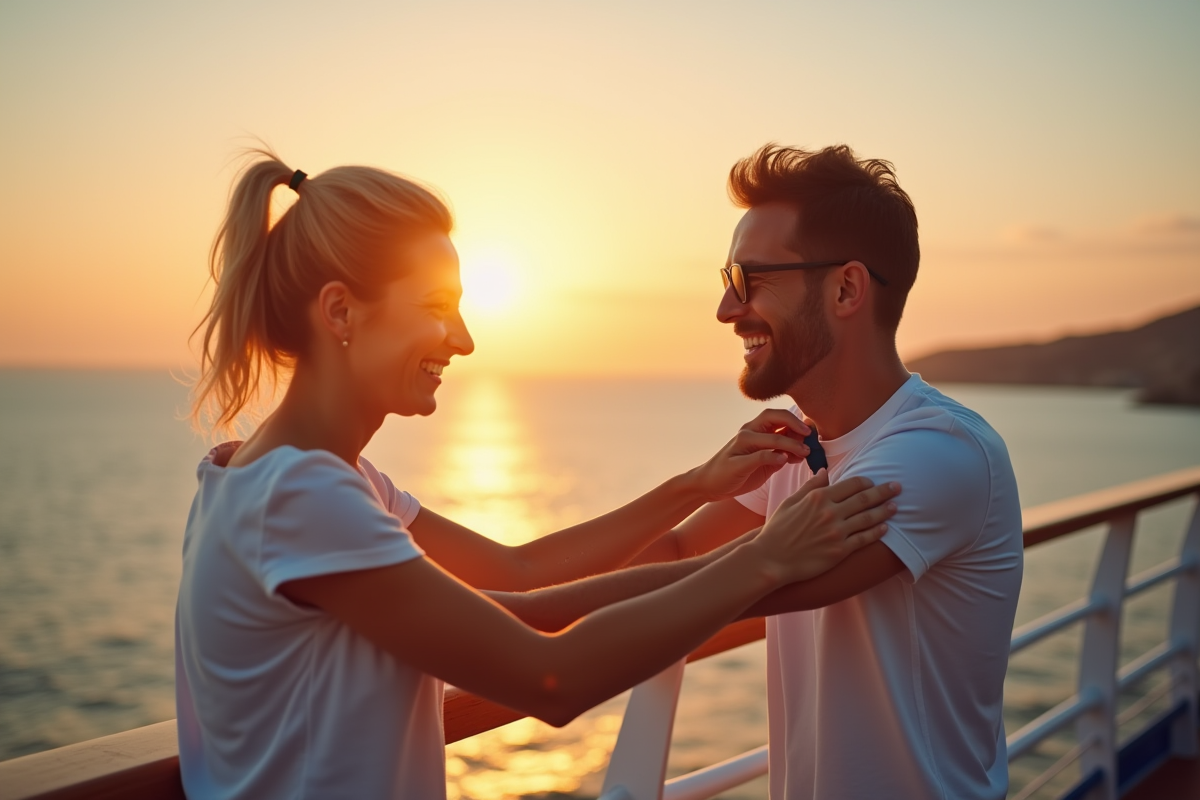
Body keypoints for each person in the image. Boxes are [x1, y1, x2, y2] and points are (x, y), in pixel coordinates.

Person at [175, 151, 902, 800]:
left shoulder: (292, 477)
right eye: (436, 307)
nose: (463, 340)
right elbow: (551, 679)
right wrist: (763, 560)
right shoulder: (302, 496)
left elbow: (518, 577)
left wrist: (697, 486)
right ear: (340, 311)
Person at [618, 144, 1024, 799]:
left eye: (749, 279)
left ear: (845, 289)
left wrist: (488, 617)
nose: (726, 309)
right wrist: (695, 482)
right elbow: (676, 553)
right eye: (727, 278)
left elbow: (712, 590)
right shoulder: (798, 448)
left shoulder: (936, 453)